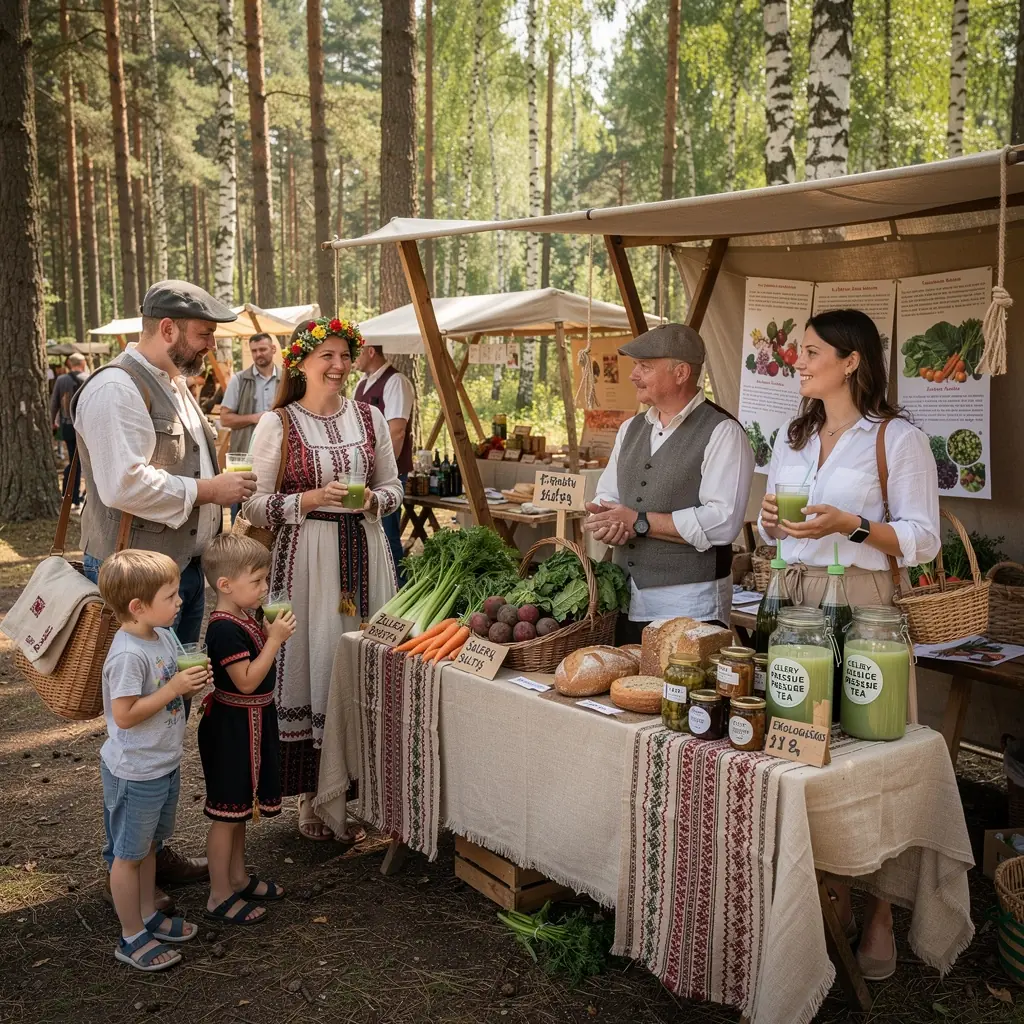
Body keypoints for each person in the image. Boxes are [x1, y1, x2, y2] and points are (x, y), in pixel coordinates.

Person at [757, 307, 940, 981]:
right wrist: (773, 519)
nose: (797, 362)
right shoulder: (794, 433)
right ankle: (811, 892)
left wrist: (856, 525)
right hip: (800, 600)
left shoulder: (898, 440)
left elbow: (924, 539)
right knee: (803, 745)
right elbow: (772, 528)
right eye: (797, 352)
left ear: (852, 360)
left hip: (867, 611)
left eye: (809, 351)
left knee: (874, 756)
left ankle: (883, 907)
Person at [73, 280, 257, 899]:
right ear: (169, 327)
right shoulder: (113, 388)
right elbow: (124, 483)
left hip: (174, 578)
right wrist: (206, 492)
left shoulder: (173, 381)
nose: (209, 346)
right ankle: (129, 858)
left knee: (166, 709)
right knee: (135, 715)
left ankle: (150, 850)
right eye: (203, 333)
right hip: (137, 584)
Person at [242, 316, 401, 842]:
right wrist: (307, 500)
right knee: (319, 660)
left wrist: (377, 499)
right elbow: (253, 504)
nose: (337, 366)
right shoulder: (279, 423)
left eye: (344, 355)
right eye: (325, 356)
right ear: (301, 362)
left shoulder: (371, 416)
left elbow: (395, 487)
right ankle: (315, 800)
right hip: (308, 561)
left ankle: (366, 793)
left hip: (366, 553)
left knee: (364, 663)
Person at [583, 323, 754, 642]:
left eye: (644, 366)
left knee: (681, 692)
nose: (634, 375)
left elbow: (723, 522)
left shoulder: (722, 432)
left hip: (688, 606)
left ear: (681, 373)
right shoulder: (630, 429)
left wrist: (640, 522)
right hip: (625, 597)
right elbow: (608, 496)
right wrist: (607, 521)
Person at [96, 550, 209, 972]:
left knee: (149, 847)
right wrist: (173, 688)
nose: (181, 601)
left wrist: (188, 686)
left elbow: (169, 688)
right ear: (138, 607)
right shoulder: (128, 654)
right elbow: (124, 715)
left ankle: (145, 914)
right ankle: (130, 936)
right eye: (172, 595)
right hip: (135, 771)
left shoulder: (162, 635)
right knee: (128, 854)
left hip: (162, 763)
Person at [198, 535, 295, 925]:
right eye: (256, 581)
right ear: (226, 585)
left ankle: (237, 878)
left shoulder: (245, 617)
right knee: (226, 813)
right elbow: (247, 682)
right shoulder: (224, 629)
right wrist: (274, 641)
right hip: (232, 729)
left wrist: (269, 633)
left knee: (239, 809)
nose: (264, 589)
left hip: (253, 723)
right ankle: (218, 893)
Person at [352, 342, 415, 581]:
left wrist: (380, 472)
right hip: (363, 475)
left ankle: (397, 589)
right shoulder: (361, 385)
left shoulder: (396, 382)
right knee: (366, 533)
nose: (352, 359)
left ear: (371, 351)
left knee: (388, 534)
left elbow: (397, 432)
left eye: (355, 352)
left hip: (386, 475)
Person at [220, 333, 281, 523]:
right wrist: (255, 418)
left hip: (279, 454)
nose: (258, 354)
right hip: (245, 455)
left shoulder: (287, 379)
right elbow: (225, 418)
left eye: (262, 349)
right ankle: (239, 548)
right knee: (239, 508)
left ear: (273, 349)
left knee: (273, 505)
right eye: (254, 350)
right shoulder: (239, 379)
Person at [49, 352, 88, 509]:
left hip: (67, 425)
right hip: (86, 428)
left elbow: (54, 403)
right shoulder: (89, 378)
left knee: (74, 461)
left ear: (70, 364)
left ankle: (69, 494)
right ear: (83, 363)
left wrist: (52, 422)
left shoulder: (61, 380)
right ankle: (74, 497)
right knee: (80, 462)